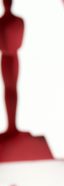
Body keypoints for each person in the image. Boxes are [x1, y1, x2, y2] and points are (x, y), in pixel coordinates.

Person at [0, 0, 24, 135]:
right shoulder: (16, 22)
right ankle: (11, 126)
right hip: (8, 58)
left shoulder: (18, 22)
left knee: (12, 89)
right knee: (9, 89)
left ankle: (12, 126)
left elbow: (18, 42)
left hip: (11, 58)